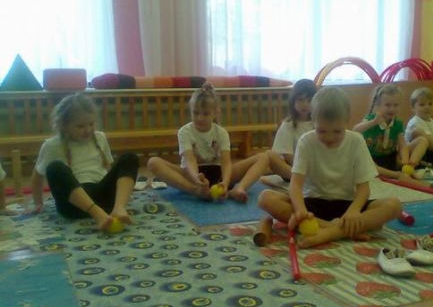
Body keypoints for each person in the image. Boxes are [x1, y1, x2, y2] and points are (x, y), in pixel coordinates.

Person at [258, 86, 402, 248]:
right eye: (322, 131)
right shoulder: (306, 141)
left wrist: (354, 211)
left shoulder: (356, 141)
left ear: (347, 121)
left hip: (347, 204)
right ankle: (339, 229)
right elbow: (296, 185)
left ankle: (328, 233)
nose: (330, 137)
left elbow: (363, 189)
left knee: (394, 205)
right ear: (313, 122)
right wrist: (300, 211)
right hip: (312, 204)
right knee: (266, 197)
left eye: (337, 131)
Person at [31, 93, 139, 230]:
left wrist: (119, 194)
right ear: (64, 125)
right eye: (80, 126)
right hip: (73, 206)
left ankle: (119, 208)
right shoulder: (51, 145)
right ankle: (99, 215)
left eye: (91, 124)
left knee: (130, 157)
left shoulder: (100, 137)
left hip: (105, 202)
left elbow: (110, 168)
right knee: (55, 167)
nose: (88, 130)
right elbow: (37, 177)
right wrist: (38, 203)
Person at [147, 83, 269, 203]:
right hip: (191, 175)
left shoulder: (221, 132)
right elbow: (190, 160)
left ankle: (239, 188)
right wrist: (197, 179)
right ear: (190, 111)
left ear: (215, 113)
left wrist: (225, 183)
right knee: (153, 162)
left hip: (219, 174)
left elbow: (226, 163)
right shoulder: (184, 132)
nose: (200, 118)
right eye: (196, 113)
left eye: (205, 114)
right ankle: (196, 191)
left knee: (263, 158)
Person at [353, 84, 428, 180]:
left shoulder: (398, 123)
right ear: (378, 105)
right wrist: (373, 122)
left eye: (395, 105)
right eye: (387, 105)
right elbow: (355, 129)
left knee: (422, 140)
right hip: (373, 159)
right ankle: (397, 175)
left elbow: (402, 145)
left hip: (391, 157)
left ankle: (409, 167)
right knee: (369, 165)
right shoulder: (371, 119)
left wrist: (405, 160)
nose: (392, 109)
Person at [266, 79, 317, 181]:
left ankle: (311, 178)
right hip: (293, 168)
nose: (305, 104)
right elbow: (287, 155)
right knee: (269, 155)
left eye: (309, 100)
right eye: (300, 100)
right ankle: (303, 179)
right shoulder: (288, 125)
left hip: (315, 166)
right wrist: (300, 170)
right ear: (293, 101)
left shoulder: (319, 123)